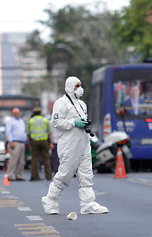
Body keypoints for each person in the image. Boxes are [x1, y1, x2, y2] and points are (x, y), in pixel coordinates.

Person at [42, 76, 109, 215]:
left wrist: (84, 124)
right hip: (69, 145)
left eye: (80, 85)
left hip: (84, 143)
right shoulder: (60, 103)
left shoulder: (82, 104)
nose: (80, 88)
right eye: (77, 86)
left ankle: (88, 204)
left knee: (86, 175)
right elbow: (56, 122)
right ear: (69, 87)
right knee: (65, 175)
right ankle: (50, 199)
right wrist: (73, 123)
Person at [27, 106, 53, 181]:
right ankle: (48, 176)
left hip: (34, 142)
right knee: (46, 159)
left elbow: (28, 134)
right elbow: (50, 132)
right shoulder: (45, 120)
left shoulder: (30, 121)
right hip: (44, 141)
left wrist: (29, 144)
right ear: (41, 113)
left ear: (34, 113)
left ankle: (34, 176)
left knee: (34, 160)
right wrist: (50, 143)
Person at [4, 108, 27, 181]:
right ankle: (9, 174)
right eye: (15, 113)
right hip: (14, 142)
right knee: (13, 160)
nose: (17, 114)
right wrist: (11, 141)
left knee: (21, 161)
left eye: (17, 112)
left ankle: (19, 175)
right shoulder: (11, 121)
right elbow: (8, 132)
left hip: (22, 143)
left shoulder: (21, 121)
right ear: (13, 114)